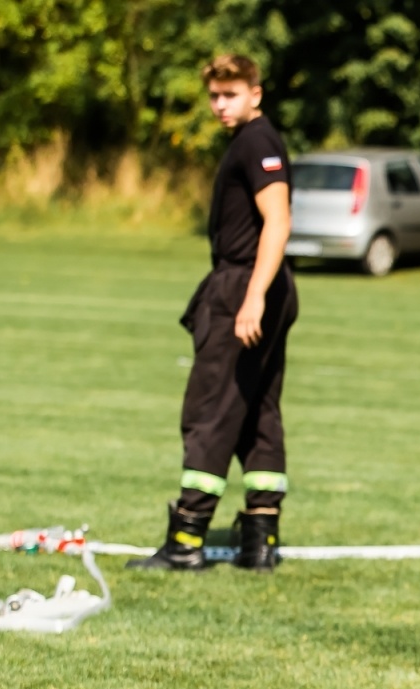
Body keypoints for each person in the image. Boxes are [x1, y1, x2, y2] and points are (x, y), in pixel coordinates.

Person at [129, 54, 296, 572]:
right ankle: (260, 540)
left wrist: (252, 296)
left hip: (245, 284)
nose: (221, 105)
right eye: (215, 96)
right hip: (259, 282)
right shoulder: (251, 141)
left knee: (209, 411)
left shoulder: (258, 143)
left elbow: (278, 221)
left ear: (255, 94)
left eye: (231, 94)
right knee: (257, 411)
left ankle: (186, 539)